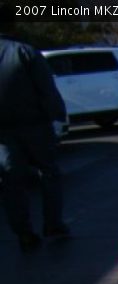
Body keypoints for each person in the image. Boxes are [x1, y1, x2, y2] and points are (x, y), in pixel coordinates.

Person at [0, 5, 70, 251]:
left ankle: (24, 232)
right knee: (48, 172)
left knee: (11, 179)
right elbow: (46, 90)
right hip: (34, 124)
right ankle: (53, 224)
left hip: (3, 134)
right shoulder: (24, 52)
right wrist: (58, 117)